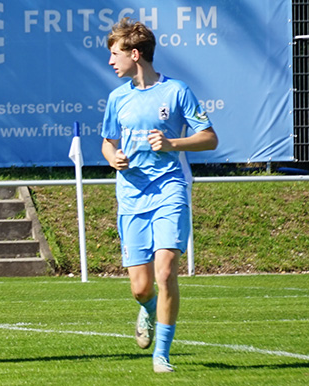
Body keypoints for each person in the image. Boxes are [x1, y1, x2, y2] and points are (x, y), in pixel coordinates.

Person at [100, 18, 218, 373]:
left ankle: (162, 355)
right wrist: (113, 158)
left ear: (135, 54)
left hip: (170, 189)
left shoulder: (177, 91)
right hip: (132, 196)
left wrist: (173, 143)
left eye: (114, 54)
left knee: (166, 273)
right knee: (141, 287)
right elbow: (108, 142)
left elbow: (210, 138)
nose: (110, 62)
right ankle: (147, 309)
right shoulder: (117, 98)